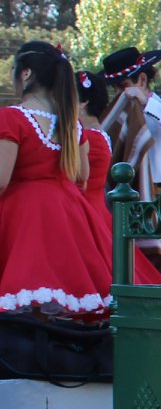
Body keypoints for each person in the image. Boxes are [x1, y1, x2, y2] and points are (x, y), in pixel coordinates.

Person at [0, 43, 113, 319]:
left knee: (22, 301)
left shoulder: (12, 118)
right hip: (69, 218)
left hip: (22, 219)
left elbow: (1, 180)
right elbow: (82, 177)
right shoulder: (73, 126)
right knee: (64, 304)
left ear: (26, 74)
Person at [96, 46, 161, 276]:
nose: (119, 93)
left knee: (155, 260)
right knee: (121, 258)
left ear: (142, 79)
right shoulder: (114, 114)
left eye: (123, 86)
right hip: (122, 196)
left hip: (159, 196)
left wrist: (146, 104)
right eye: (115, 88)